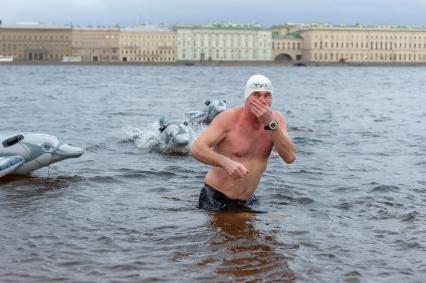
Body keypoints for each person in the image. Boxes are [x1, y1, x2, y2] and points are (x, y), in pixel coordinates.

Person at [189, 74, 296, 211]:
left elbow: (290, 157)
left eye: (267, 95)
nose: (262, 101)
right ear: (247, 97)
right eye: (256, 95)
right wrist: (226, 162)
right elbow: (196, 149)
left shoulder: (277, 120)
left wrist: (271, 125)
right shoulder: (229, 118)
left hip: (248, 200)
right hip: (215, 196)